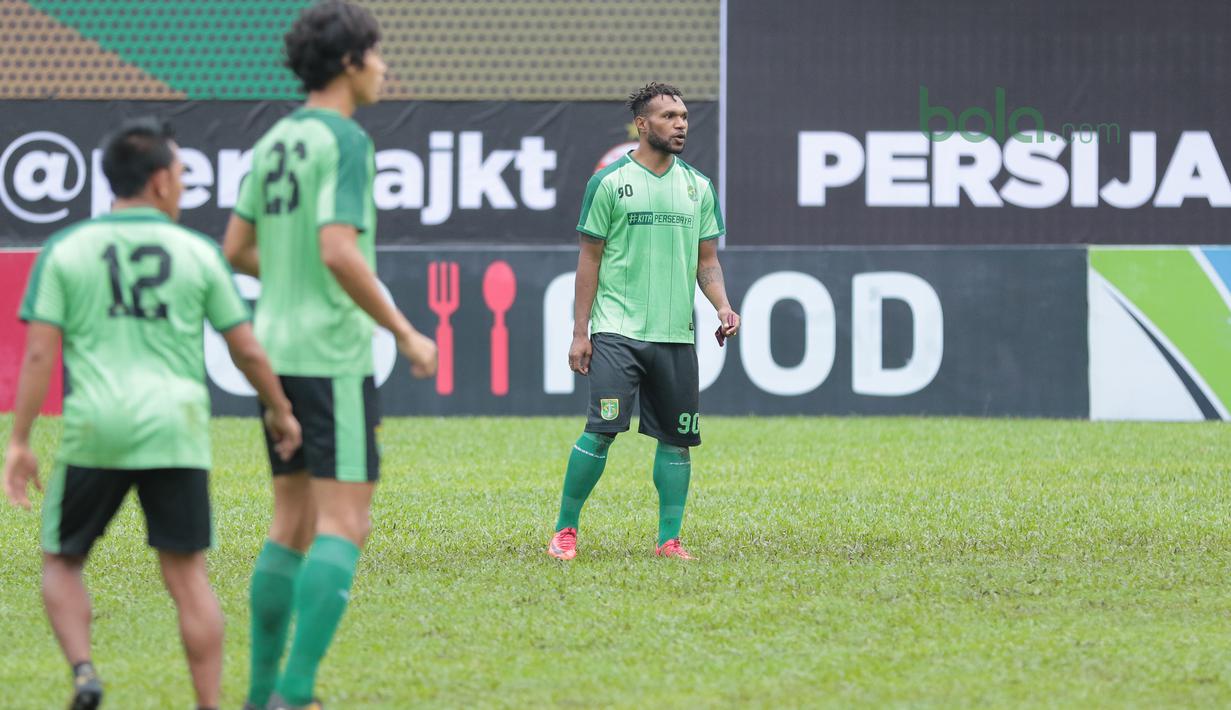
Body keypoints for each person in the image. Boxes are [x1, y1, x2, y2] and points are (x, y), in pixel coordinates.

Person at [1, 117, 301, 710]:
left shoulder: (67, 249)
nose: (184, 183)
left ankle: (85, 673)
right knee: (188, 577)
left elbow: (38, 354)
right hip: (175, 431)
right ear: (161, 180)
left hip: (96, 431)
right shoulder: (196, 252)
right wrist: (280, 409)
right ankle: (209, 705)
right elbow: (246, 349)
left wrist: (21, 440)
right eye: (182, 172)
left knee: (62, 560)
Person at [221, 2, 437, 708]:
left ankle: (261, 694)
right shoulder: (345, 140)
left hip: (274, 352)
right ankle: (296, 693)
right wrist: (404, 331)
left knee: (291, 523)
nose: (384, 65)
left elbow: (236, 250)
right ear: (350, 62)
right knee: (346, 523)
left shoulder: (275, 139)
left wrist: (291, 275)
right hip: (330, 355)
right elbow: (339, 249)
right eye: (376, 52)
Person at [547, 82, 740, 562]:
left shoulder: (698, 187)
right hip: (618, 332)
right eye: (669, 116)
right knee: (601, 431)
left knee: (677, 440)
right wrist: (580, 333)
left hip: (675, 335)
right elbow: (589, 260)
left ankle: (669, 540)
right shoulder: (609, 183)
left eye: (684, 116)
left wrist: (721, 305)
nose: (681, 124)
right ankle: (565, 531)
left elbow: (707, 262)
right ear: (642, 124)